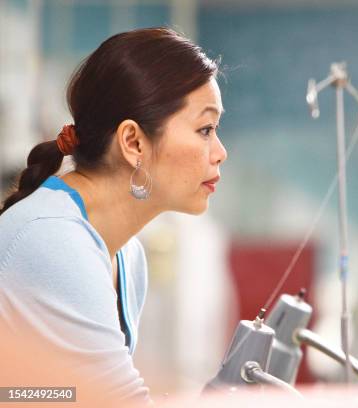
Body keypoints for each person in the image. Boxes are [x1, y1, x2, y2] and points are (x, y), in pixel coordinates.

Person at [0, 27, 227, 405]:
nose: (220, 152)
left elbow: (61, 397)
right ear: (133, 142)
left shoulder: (127, 256)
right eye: (205, 129)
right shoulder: (52, 239)